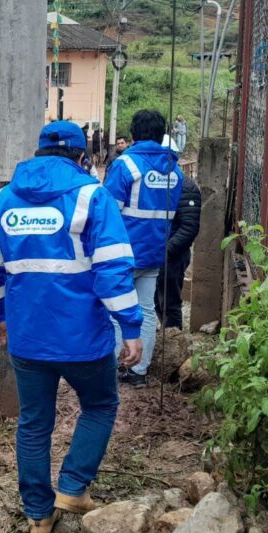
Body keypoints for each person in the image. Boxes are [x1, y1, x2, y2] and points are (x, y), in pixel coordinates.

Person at [0, 121, 143, 533]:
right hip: (83, 339)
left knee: (34, 423)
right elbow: (113, 270)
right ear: (82, 157)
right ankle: (72, 487)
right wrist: (131, 327)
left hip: (28, 340)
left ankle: (38, 518)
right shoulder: (92, 196)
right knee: (101, 405)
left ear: (38, 153)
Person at [103, 110, 184, 388]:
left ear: (134, 134)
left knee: (117, 310)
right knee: (147, 310)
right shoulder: (175, 169)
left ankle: (119, 365)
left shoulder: (126, 165)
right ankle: (139, 371)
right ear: (162, 135)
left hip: (123, 253)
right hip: (155, 252)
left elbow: (107, 213)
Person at [155, 136, 201, 329]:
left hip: (172, 256)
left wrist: (166, 250)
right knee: (157, 301)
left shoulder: (186, 186)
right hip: (156, 253)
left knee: (170, 302)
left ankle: (174, 343)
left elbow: (189, 228)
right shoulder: (154, 183)